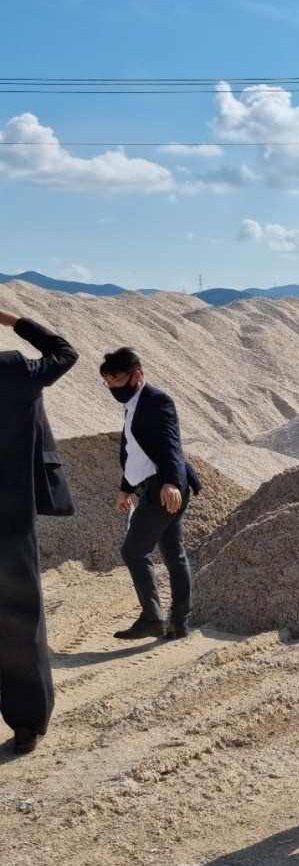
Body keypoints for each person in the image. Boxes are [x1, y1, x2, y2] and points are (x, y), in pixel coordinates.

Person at [0, 307, 78, 755]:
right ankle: (27, 724)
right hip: (11, 517)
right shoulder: (14, 369)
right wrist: (14, 321)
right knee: (20, 619)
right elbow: (65, 353)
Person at [100, 347, 202, 642]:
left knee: (133, 551)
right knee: (174, 555)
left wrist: (170, 482)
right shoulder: (132, 405)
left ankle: (152, 619)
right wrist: (126, 489)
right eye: (108, 382)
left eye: (117, 380)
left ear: (137, 376)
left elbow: (171, 445)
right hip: (151, 486)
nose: (113, 387)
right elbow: (134, 452)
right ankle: (180, 622)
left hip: (163, 488)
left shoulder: (157, 400)